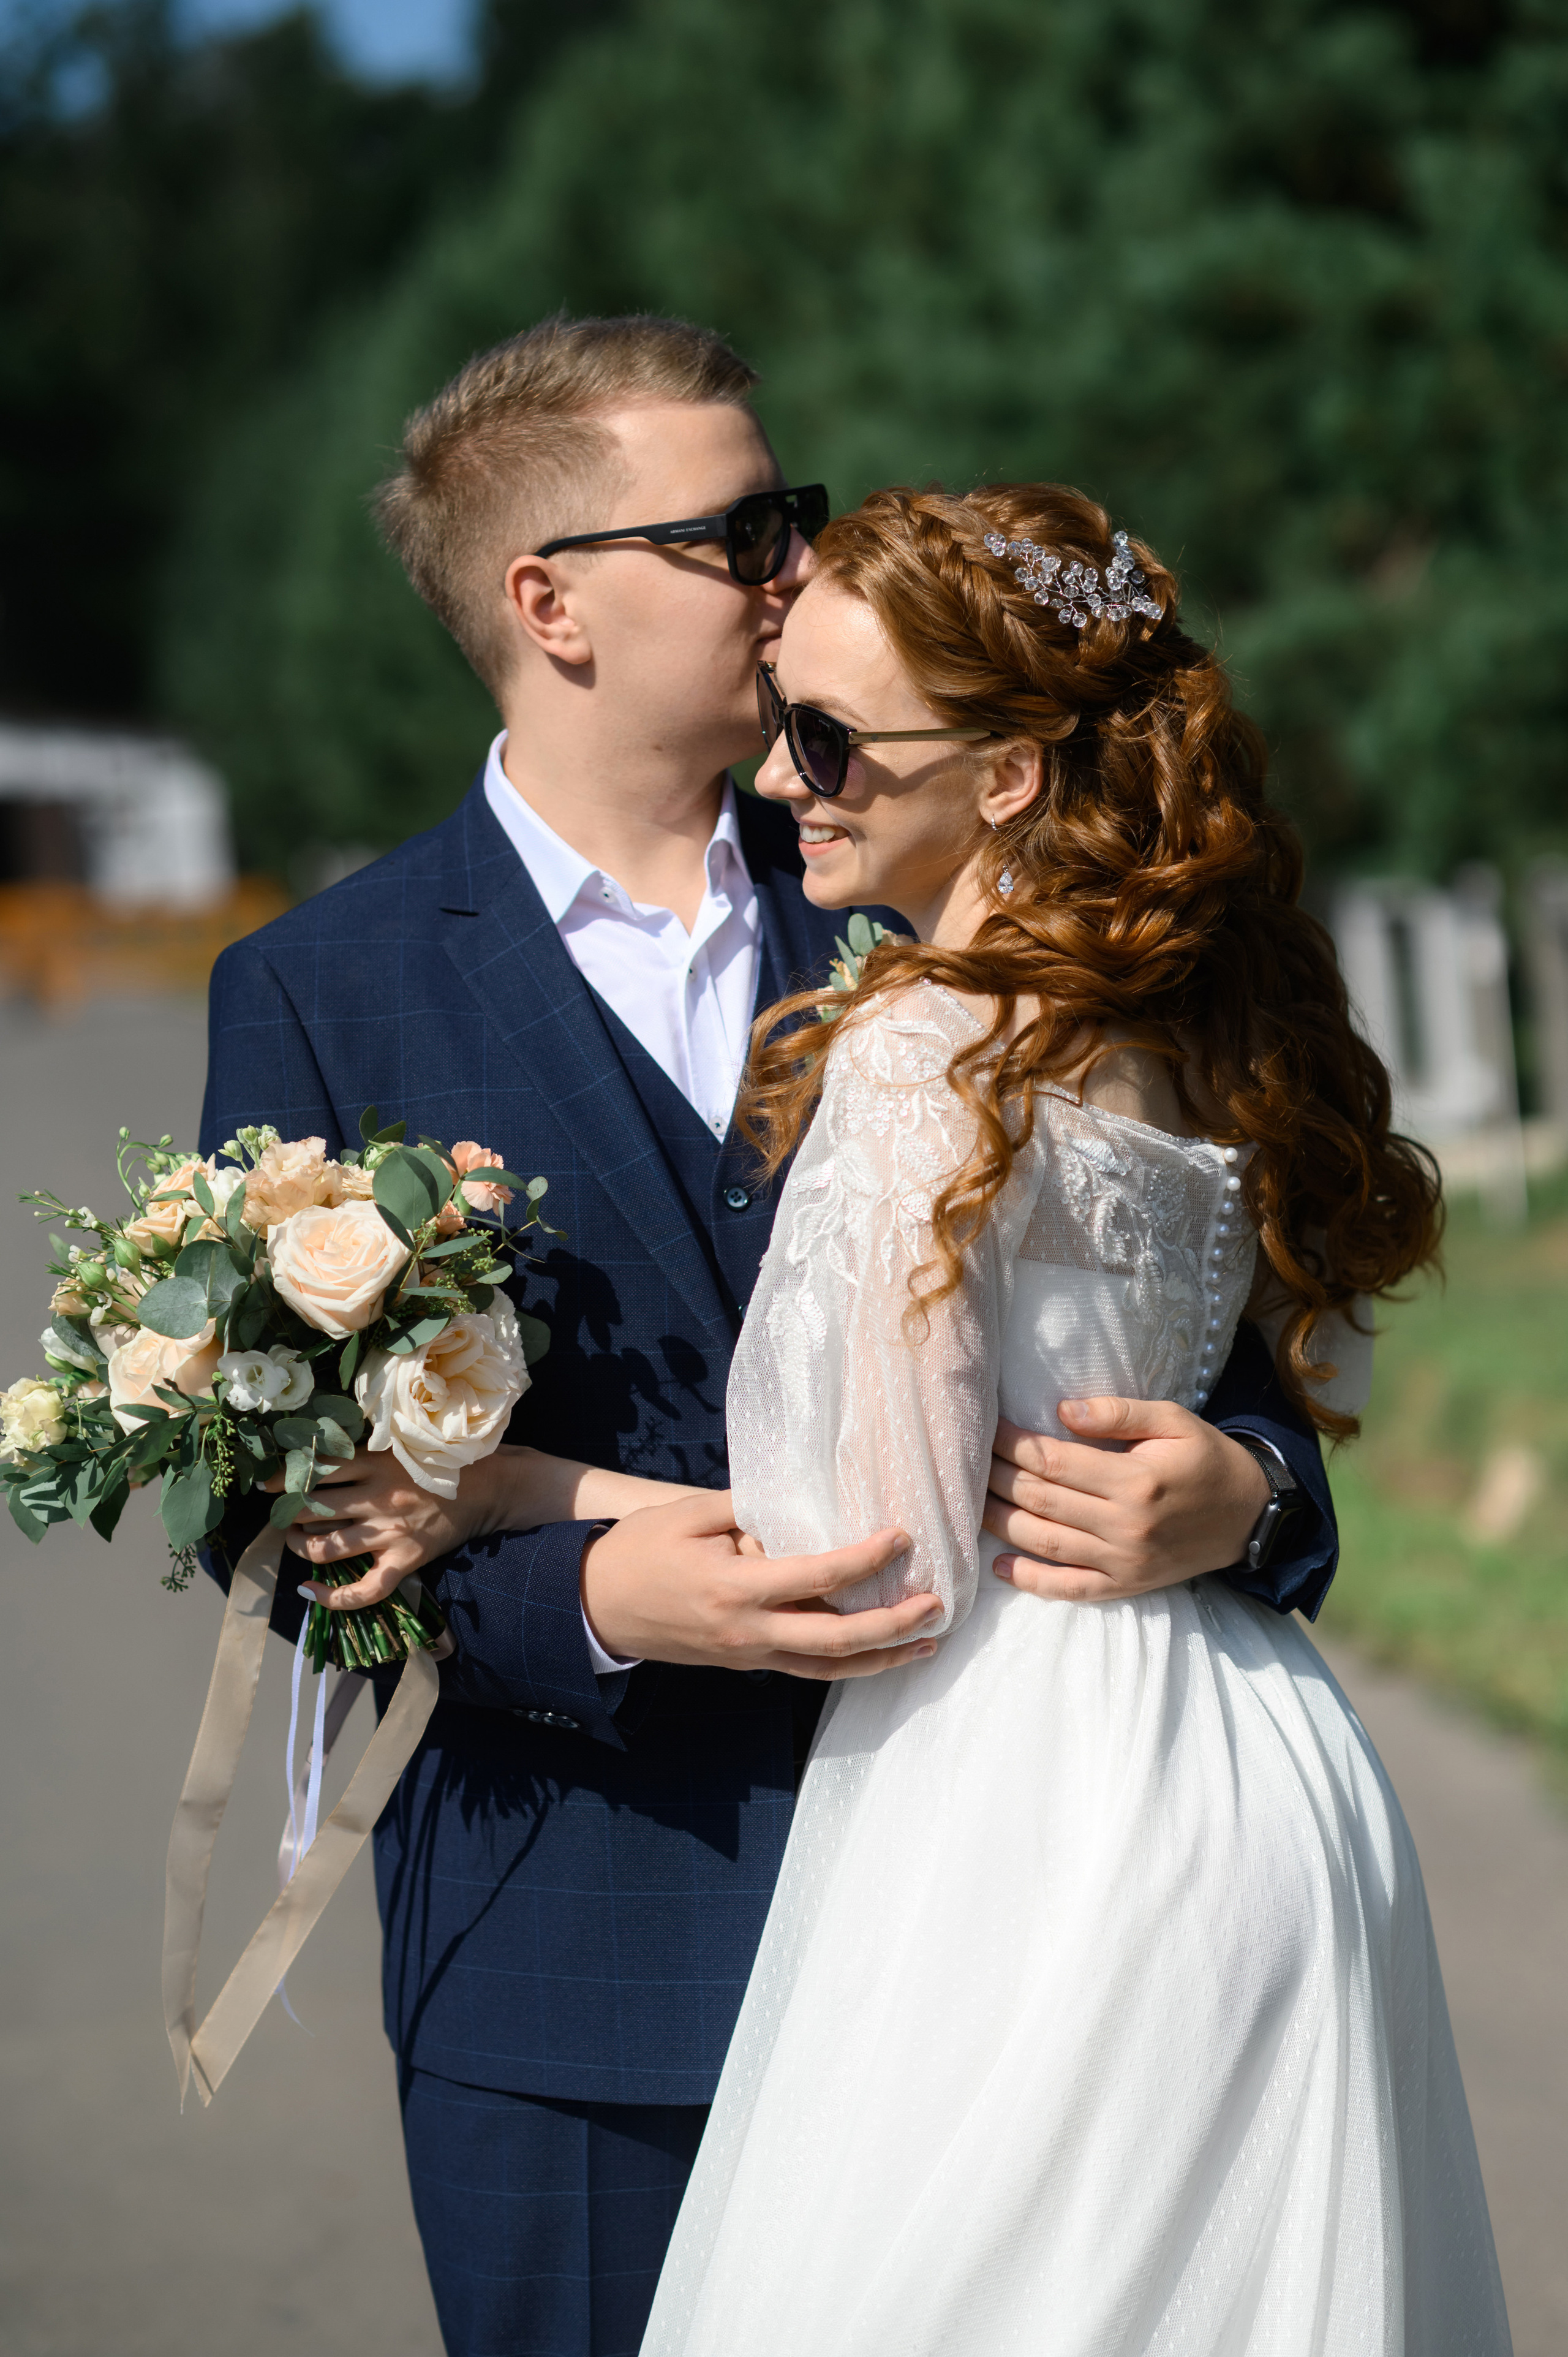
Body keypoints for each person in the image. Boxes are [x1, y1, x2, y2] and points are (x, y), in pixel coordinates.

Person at [200, 315, 1340, 2357]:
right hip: (577, 1953)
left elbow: (1201, 1338)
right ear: (549, 602)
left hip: (1015, 1927)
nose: (796, 572)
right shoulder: (322, 991)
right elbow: (276, 1505)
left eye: (790, 519)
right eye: (742, 531)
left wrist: (1245, 1488)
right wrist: (599, 1594)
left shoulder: (935, 873)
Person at [623, 485, 1510, 2355]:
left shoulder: (918, 1049)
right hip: (1264, 1772)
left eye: (833, 738)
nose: (786, 778)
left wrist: (537, 1493)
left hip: (1020, 1824)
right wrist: (1258, 1485)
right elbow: (1295, 1382)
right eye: (788, 719)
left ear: (1013, 774)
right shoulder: (1188, 1017)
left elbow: (875, 1547)